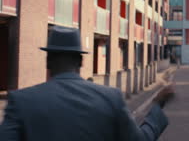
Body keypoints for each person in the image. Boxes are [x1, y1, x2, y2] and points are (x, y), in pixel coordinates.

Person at [0, 26, 174, 141]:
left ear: (48, 61)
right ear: (81, 61)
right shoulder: (110, 99)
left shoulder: (21, 101)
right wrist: (157, 105)